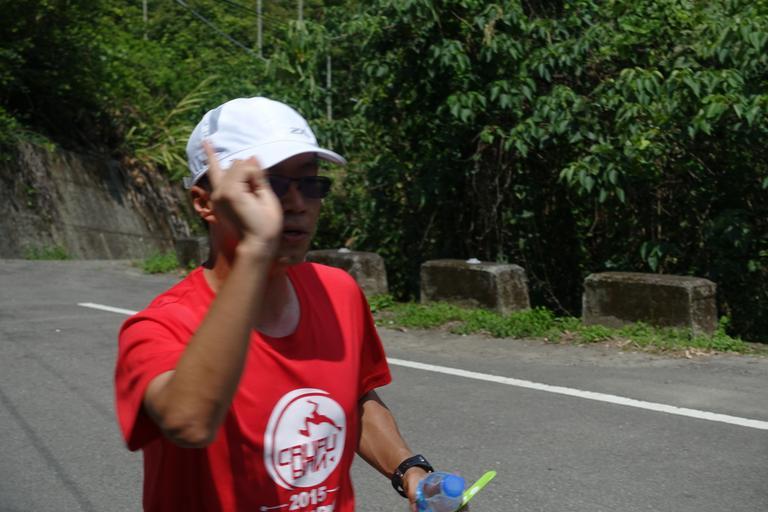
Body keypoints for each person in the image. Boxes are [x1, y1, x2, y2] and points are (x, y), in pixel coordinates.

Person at [114, 97, 444, 512]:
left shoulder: (337, 292)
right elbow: (189, 421)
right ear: (205, 202)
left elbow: (355, 399)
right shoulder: (161, 326)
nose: (296, 203)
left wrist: (411, 472)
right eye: (268, 185)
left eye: (311, 184)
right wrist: (256, 249)